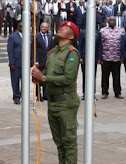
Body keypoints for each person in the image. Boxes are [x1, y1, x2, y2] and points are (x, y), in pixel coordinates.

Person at [31, 21, 81, 164]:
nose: (61, 27)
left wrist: (44, 77)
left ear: (71, 36)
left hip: (66, 103)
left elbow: (68, 78)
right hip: (53, 103)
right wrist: (38, 78)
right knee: (59, 143)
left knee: (69, 143)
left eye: (65, 28)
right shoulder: (52, 53)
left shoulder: (72, 53)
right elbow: (46, 74)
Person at [99, 16, 124, 99]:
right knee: (105, 76)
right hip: (106, 57)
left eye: (114, 20)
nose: (112, 21)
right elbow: (100, 44)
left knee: (116, 76)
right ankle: (104, 92)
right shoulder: (103, 31)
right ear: (108, 21)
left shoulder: (120, 30)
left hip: (116, 57)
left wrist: (122, 56)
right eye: (111, 20)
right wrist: (100, 58)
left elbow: (122, 44)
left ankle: (117, 93)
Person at [77, 25, 102, 100]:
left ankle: (92, 93)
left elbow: (100, 46)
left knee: (93, 76)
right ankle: (85, 93)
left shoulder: (98, 33)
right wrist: (80, 57)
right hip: (84, 58)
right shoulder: (83, 32)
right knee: (85, 75)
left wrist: (99, 58)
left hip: (94, 57)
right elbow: (80, 45)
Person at [36, 22, 55, 101]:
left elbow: (52, 49)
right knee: (38, 78)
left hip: (48, 61)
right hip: (39, 61)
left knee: (46, 78)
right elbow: (34, 49)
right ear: (40, 27)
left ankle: (45, 94)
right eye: (43, 27)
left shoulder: (50, 37)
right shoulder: (36, 37)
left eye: (46, 27)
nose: (44, 28)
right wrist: (35, 60)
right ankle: (38, 95)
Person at [7, 22, 24, 105]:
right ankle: (16, 97)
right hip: (16, 63)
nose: (23, 28)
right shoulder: (13, 37)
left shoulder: (28, 36)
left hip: (25, 63)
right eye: (21, 26)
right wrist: (12, 62)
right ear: (18, 27)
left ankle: (24, 96)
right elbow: (10, 51)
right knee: (15, 81)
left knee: (24, 81)